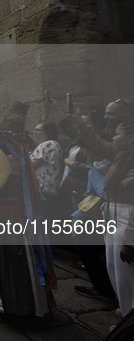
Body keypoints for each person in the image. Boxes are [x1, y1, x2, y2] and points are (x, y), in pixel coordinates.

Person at [0, 101, 56, 317]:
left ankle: (14, 302)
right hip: (17, 214)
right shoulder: (20, 156)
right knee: (19, 257)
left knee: (8, 259)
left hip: (5, 215)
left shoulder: (6, 159)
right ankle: (23, 301)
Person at [66, 108, 134, 318]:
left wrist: (129, 239)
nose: (113, 137)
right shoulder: (122, 155)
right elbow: (94, 141)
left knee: (128, 275)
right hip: (112, 217)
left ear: (131, 138)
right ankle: (126, 315)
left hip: (127, 221)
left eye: (117, 134)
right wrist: (77, 120)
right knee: (115, 271)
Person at [68, 139, 116, 301]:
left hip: (118, 217)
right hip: (99, 217)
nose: (84, 153)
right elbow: (90, 195)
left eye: (87, 149)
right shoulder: (93, 168)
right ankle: (104, 288)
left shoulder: (116, 167)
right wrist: (77, 216)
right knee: (84, 247)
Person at [31, 121, 64, 225]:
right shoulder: (53, 144)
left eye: (38, 130)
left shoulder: (47, 144)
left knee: (38, 219)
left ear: (48, 132)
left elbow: (32, 164)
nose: (35, 132)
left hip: (43, 189)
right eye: (34, 130)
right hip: (49, 189)